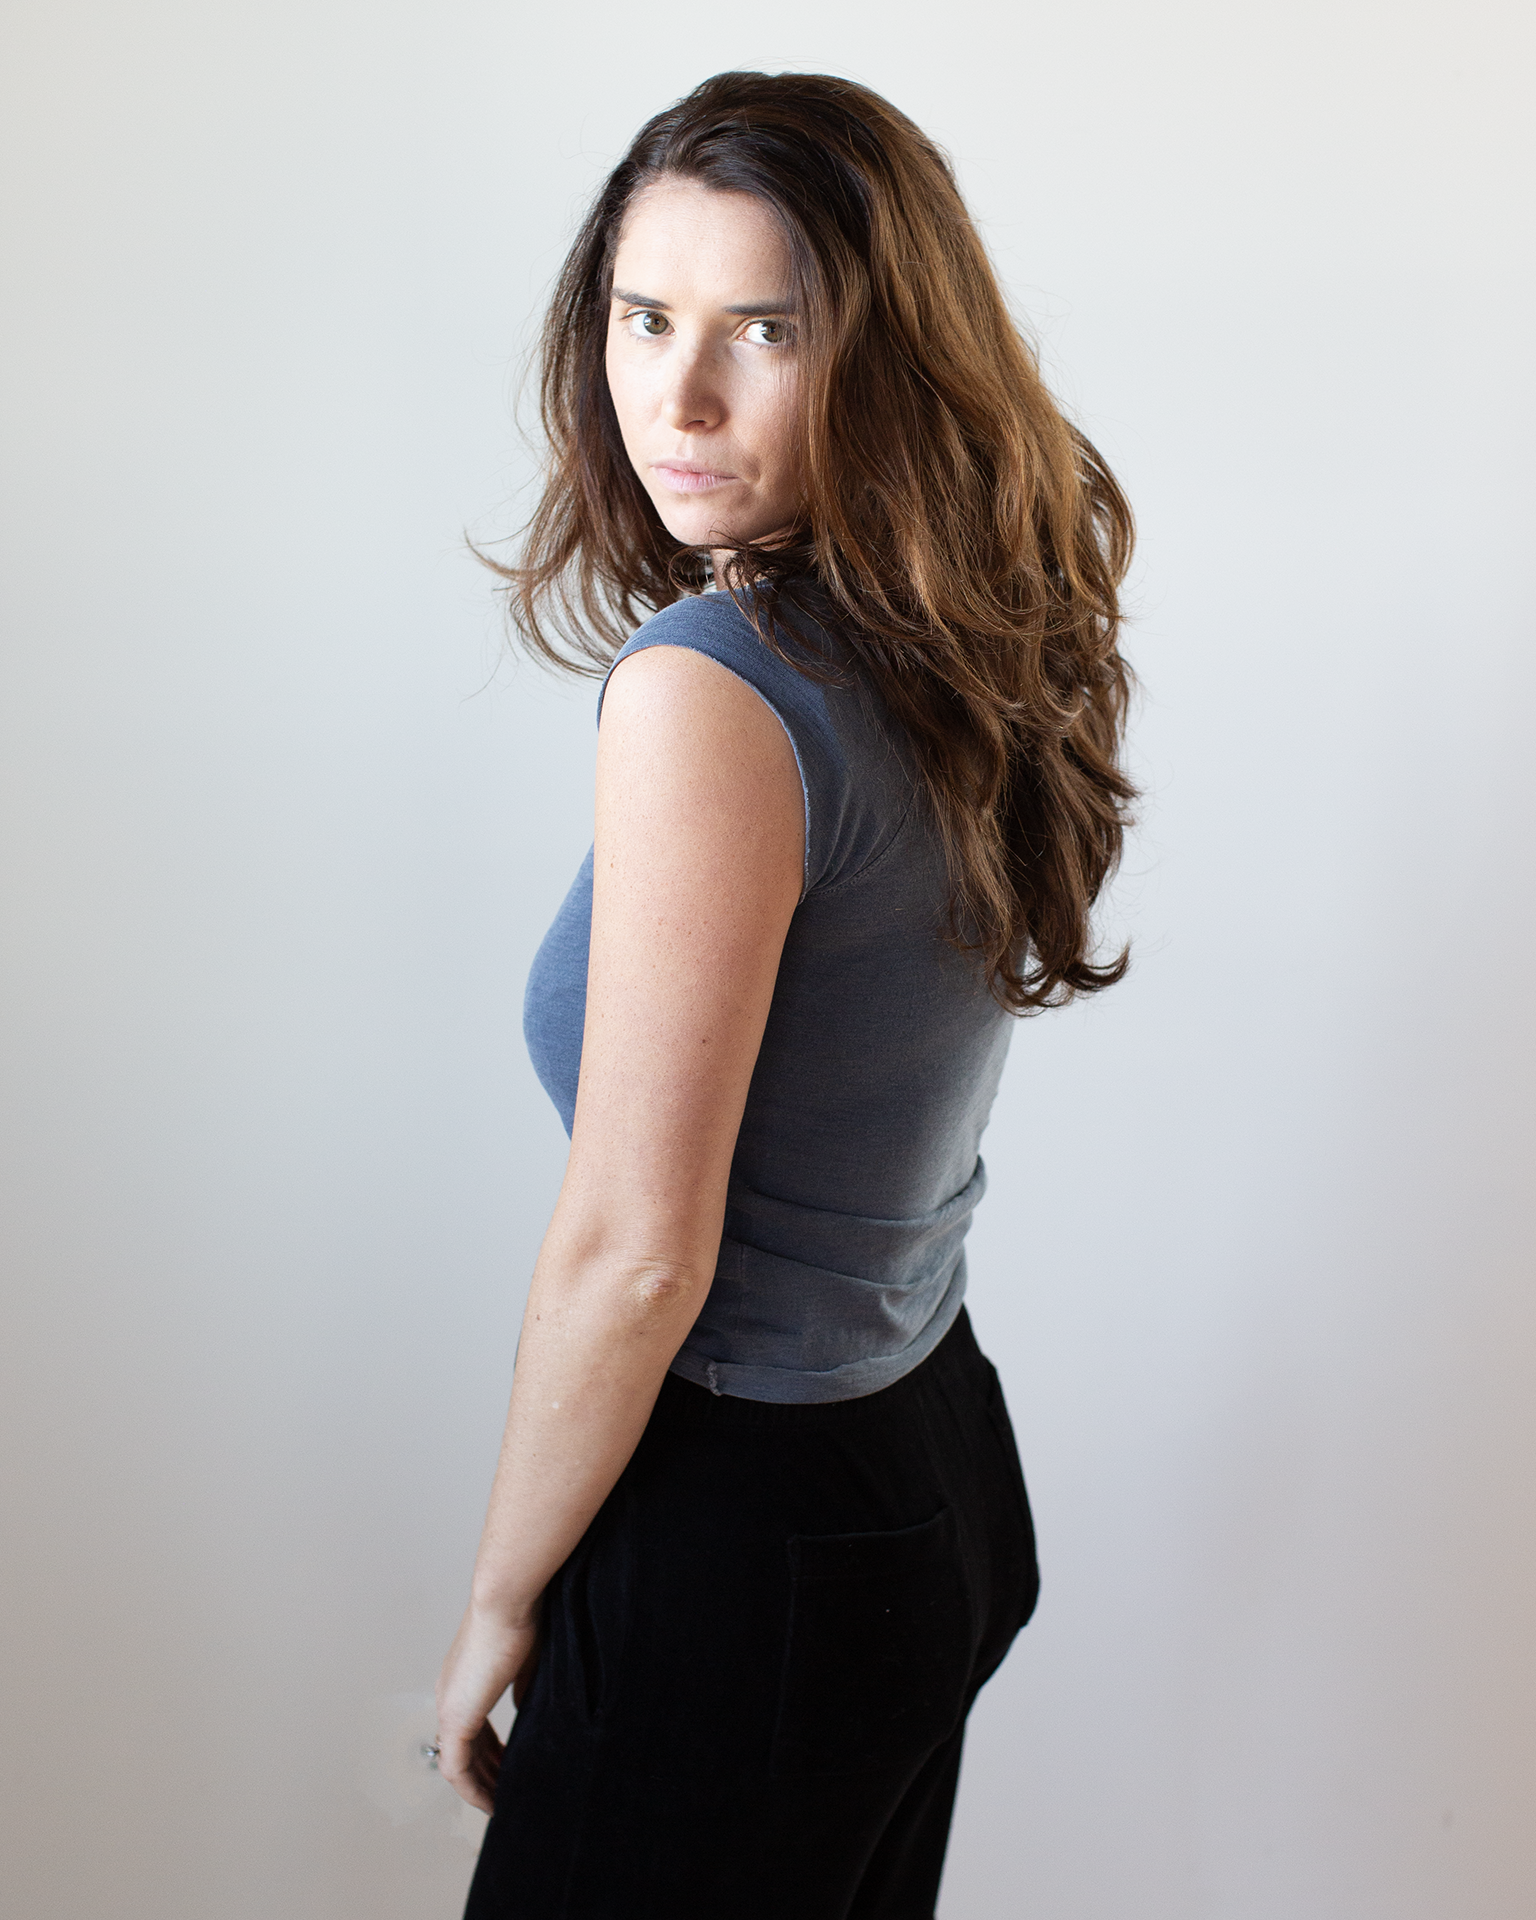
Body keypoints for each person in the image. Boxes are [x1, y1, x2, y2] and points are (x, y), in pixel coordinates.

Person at [433, 69, 1136, 1919]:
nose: (678, 397)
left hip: (744, 1547)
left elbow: (633, 1255)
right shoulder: (949, 625)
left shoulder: (714, 686)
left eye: (766, 329)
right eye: (643, 317)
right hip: (924, 1470)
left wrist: (505, 1592)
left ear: (885, 356)